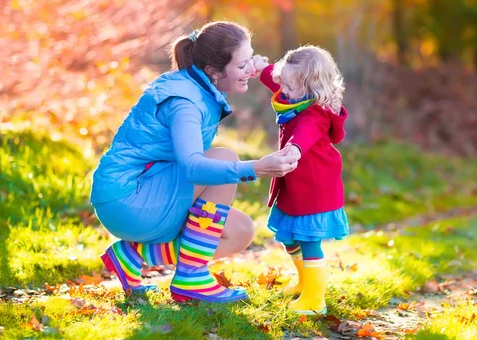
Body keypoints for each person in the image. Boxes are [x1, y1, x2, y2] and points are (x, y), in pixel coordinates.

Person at [90, 21, 301, 303]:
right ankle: (191, 276)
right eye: (242, 65)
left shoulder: (198, 85)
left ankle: (132, 255)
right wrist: (256, 168)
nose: (249, 69)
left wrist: (261, 70)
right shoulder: (185, 102)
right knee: (225, 158)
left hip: (145, 192)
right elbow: (192, 167)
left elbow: (240, 72)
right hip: (128, 197)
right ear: (213, 71)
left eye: (249, 58)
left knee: (239, 232)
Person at [253, 45, 349, 315]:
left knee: (308, 241)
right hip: (296, 185)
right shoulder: (295, 93)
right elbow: (279, 77)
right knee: (289, 238)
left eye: (290, 87)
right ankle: (304, 283)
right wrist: (262, 70)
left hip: (314, 189)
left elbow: (305, 134)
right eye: (283, 83)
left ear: (312, 88)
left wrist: (293, 150)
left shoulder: (315, 113)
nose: (283, 91)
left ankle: (315, 300)